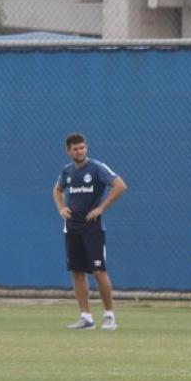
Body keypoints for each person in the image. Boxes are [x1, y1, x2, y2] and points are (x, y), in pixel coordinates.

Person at [52, 132, 127, 330]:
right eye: (75, 149)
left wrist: (101, 208)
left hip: (92, 228)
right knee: (77, 271)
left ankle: (109, 316)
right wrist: (61, 208)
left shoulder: (97, 168)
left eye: (82, 147)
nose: (80, 151)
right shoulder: (67, 171)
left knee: (98, 271)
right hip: (72, 227)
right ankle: (86, 317)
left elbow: (120, 185)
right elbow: (57, 190)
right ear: (68, 151)